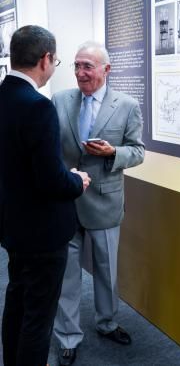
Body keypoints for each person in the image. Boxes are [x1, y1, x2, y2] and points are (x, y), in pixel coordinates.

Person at [0, 25, 91, 366]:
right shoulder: (38, 107)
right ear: (45, 59)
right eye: (58, 61)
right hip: (42, 233)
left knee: (17, 305)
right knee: (38, 318)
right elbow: (51, 181)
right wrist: (77, 180)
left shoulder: (4, 95)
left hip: (13, 227)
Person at [52, 41, 145, 366]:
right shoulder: (60, 100)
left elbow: (137, 150)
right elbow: (52, 149)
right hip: (66, 201)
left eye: (87, 66)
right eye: (76, 65)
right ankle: (67, 337)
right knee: (67, 274)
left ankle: (107, 323)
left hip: (105, 201)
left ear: (106, 70)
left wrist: (112, 154)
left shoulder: (127, 105)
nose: (80, 73)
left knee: (107, 271)